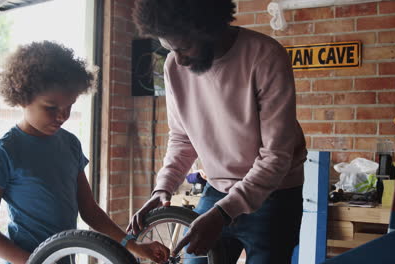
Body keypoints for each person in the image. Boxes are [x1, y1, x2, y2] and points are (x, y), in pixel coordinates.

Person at [128, 0, 308, 263]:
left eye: (184, 47)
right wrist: (162, 188)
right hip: (216, 189)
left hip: (275, 194)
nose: (177, 59)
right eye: (168, 47)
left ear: (209, 28)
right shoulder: (173, 66)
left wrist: (223, 214)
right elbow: (181, 137)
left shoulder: (265, 56)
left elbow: (276, 156)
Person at [0, 41, 169, 264]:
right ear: (22, 96)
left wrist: (134, 246)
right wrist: (36, 262)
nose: (62, 116)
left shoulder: (70, 144)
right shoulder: (5, 150)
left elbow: (90, 211)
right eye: (51, 108)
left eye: (70, 106)